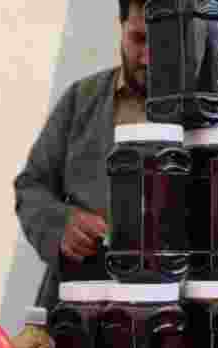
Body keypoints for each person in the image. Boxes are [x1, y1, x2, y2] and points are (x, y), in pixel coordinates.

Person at [14, 0, 149, 309]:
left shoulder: (212, 114)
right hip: (78, 304)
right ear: (121, 28)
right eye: (138, 39)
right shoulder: (80, 99)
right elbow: (31, 186)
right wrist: (61, 223)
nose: (147, 57)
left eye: (164, 43)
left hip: (174, 313)